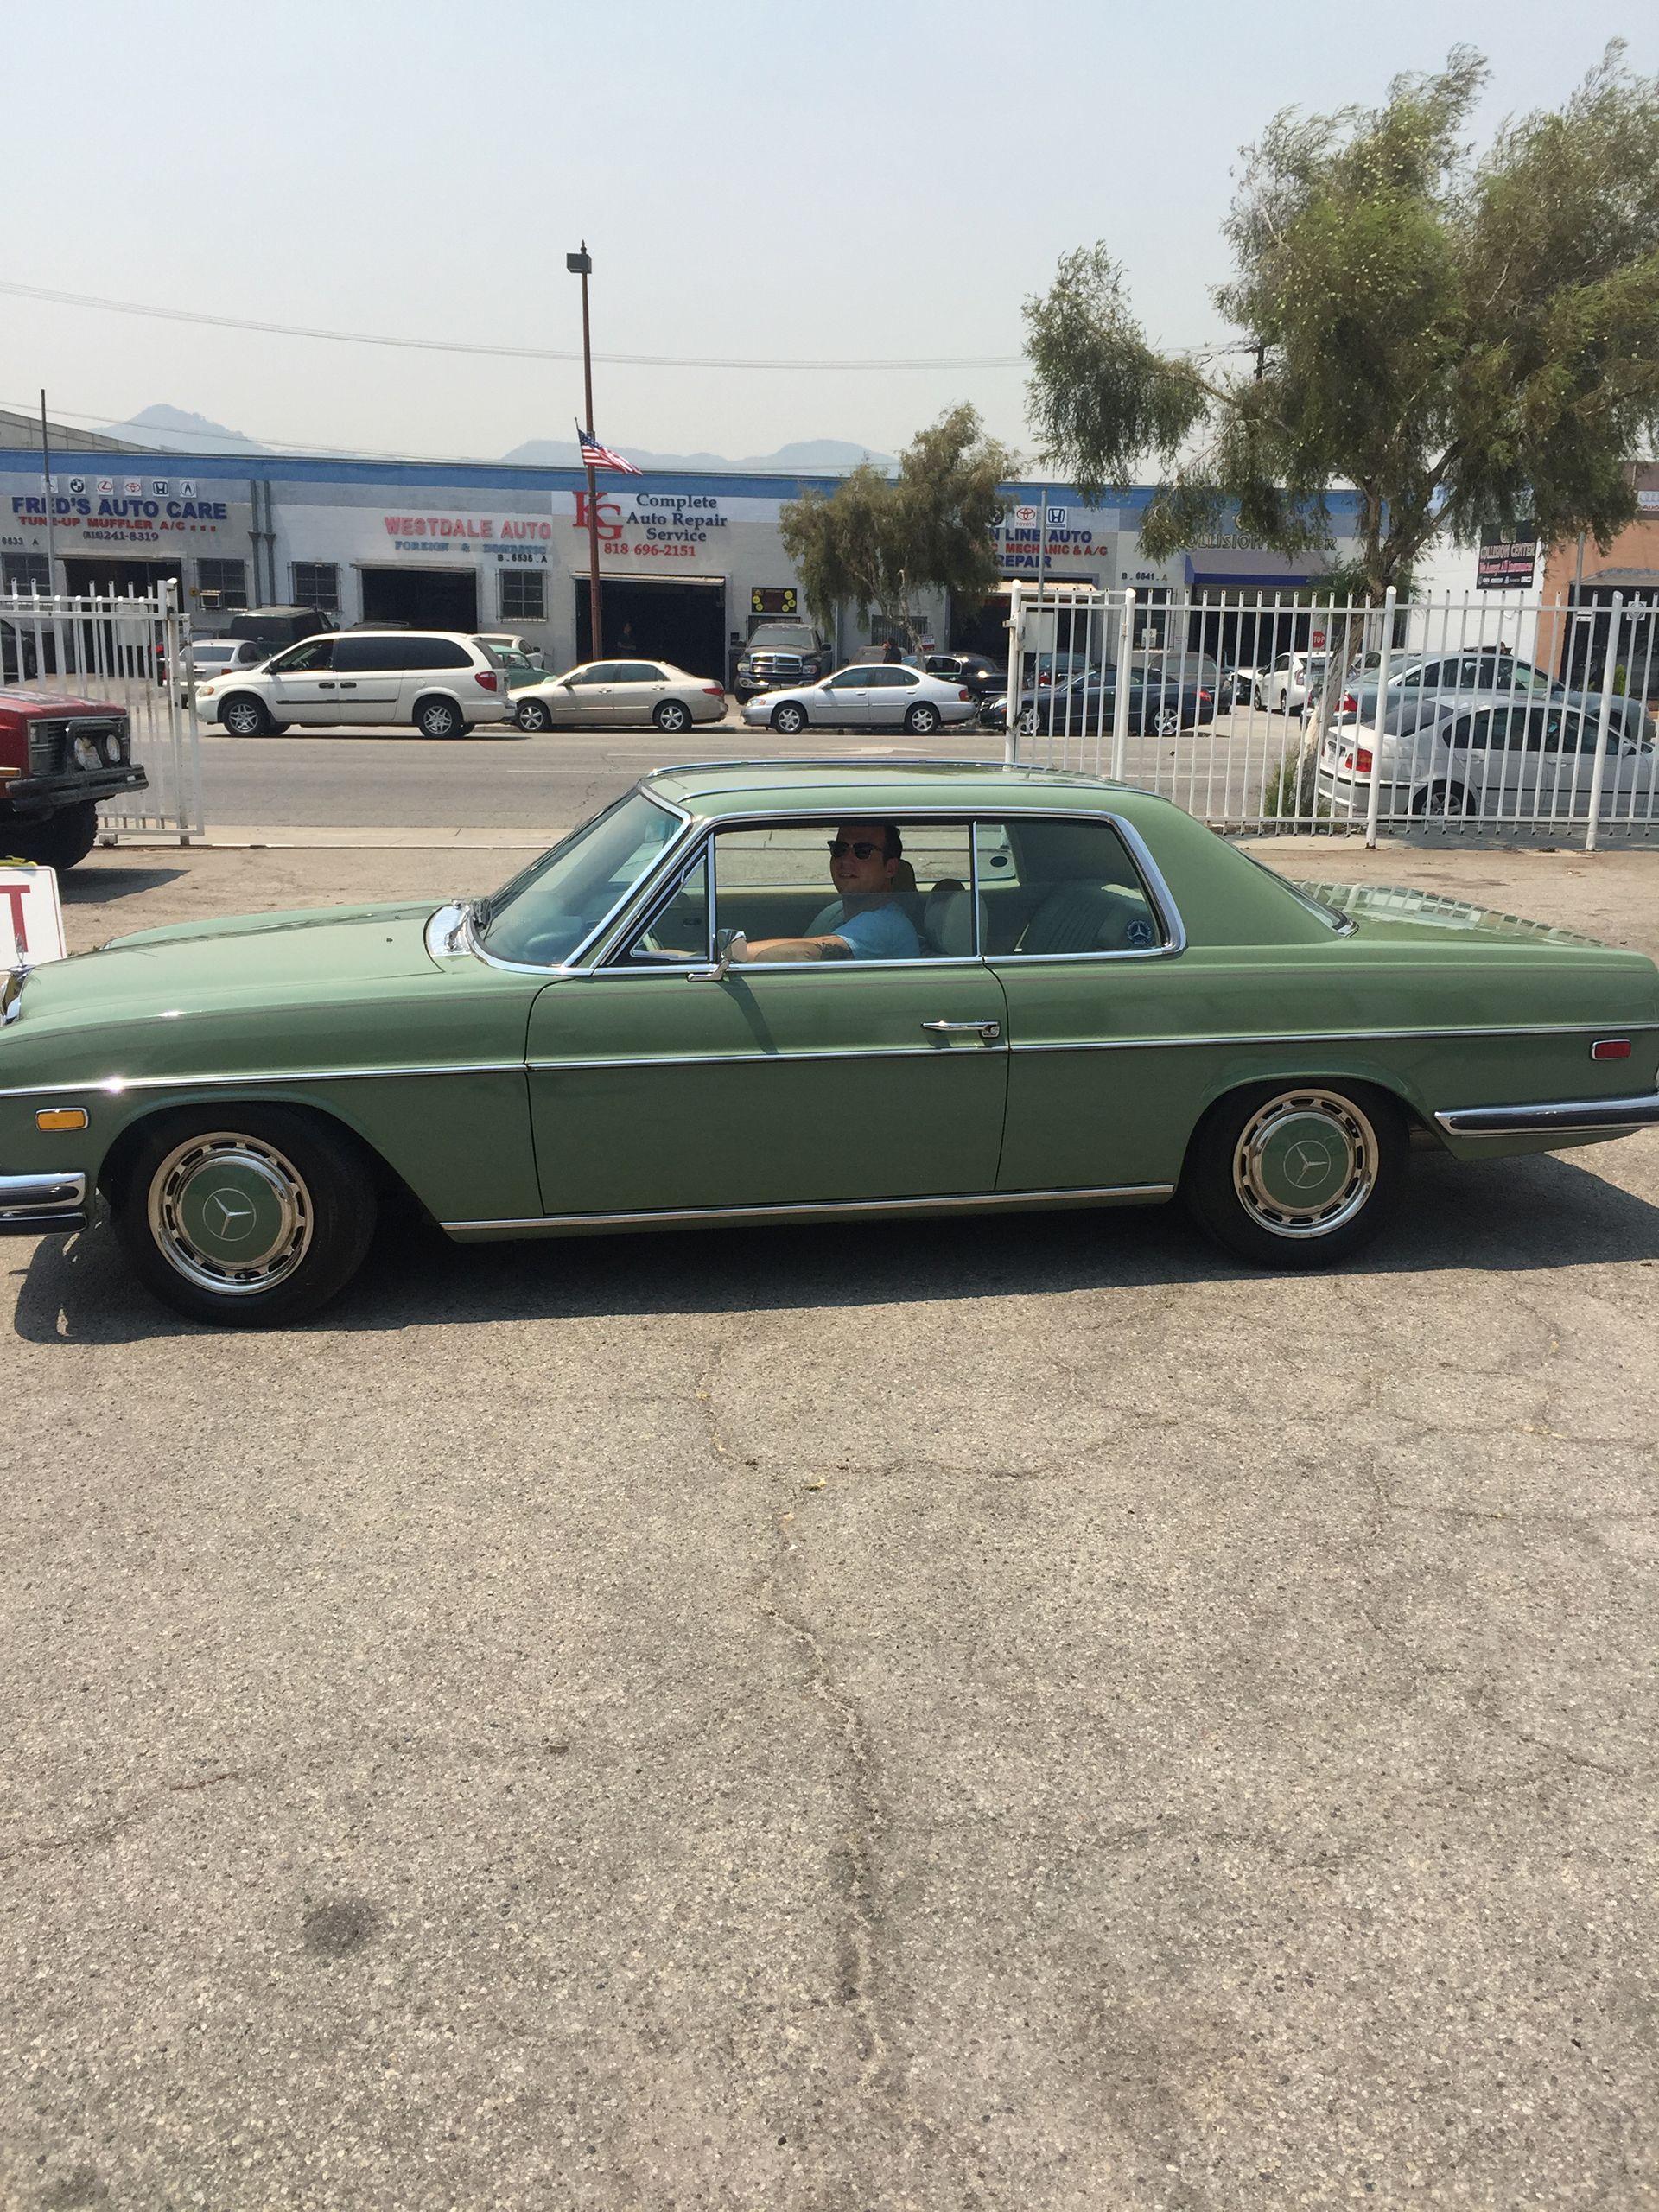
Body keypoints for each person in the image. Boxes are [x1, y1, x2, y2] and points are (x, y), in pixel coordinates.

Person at [734, 823, 919, 963]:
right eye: (839, 849)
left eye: (863, 851)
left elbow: (804, 952)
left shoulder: (884, 925)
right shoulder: (837, 911)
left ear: (890, 868)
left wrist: (730, 955)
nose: (846, 860)